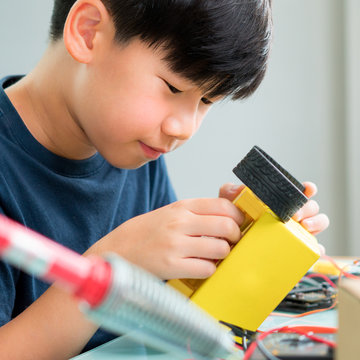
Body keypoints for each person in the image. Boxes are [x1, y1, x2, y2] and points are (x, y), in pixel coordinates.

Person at [0, 0, 329, 358]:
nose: (183, 128)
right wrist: (113, 264)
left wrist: (229, 255)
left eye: (206, 100)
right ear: (88, 32)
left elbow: (159, 315)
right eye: (173, 88)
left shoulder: (133, 148)